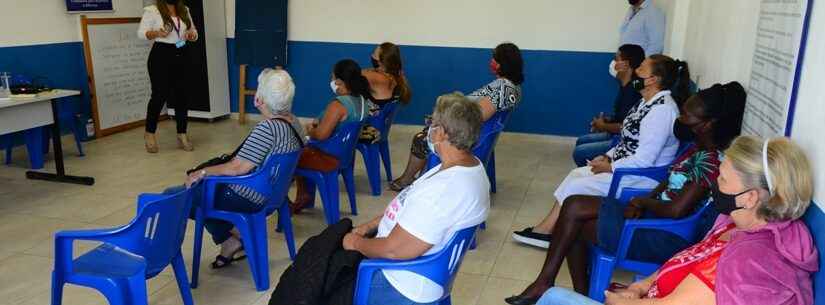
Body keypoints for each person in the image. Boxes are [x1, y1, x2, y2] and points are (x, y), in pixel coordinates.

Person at [504, 82, 748, 305]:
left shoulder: (711, 162)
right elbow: (666, 183)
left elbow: (676, 210)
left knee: (574, 214)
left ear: (707, 124)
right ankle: (563, 289)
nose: (681, 119)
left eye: (687, 116)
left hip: (663, 233)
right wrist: (644, 202)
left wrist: (641, 201)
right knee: (573, 210)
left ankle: (551, 286)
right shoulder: (697, 149)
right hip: (651, 218)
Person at [533, 136, 818, 305]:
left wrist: (625, 301)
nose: (715, 184)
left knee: (553, 299)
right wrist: (641, 286)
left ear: (750, 197)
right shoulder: (734, 225)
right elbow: (688, 261)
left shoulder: (749, 262)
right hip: (648, 296)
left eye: (723, 179)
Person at [512, 55, 690, 249]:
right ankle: (548, 230)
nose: (635, 71)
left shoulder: (662, 111)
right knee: (575, 174)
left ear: (653, 79)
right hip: (626, 167)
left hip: (640, 176)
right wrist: (608, 155)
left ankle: (549, 233)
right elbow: (628, 141)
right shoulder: (646, 102)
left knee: (577, 186)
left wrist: (610, 167)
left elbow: (645, 159)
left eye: (641, 68)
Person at [343, 93, 490, 305]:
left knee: (317, 282)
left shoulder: (443, 191)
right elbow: (406, 206)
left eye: (432, 122)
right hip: (415, 269)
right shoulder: (468, 165)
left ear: (441, 133)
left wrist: (356, 243)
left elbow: (394, 250)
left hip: (401, 282)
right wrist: (368, 227)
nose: (429, 127)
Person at [167, 68, 305, 268]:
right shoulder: (295, 122)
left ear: (259, 99)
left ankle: (161, 254)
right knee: (202, 195)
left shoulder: (268, 129)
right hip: (276, 193)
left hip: (251, 197)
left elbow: (236, 168)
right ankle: (230, 241)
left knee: (175, 195)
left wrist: (203, 172)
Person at [388, 42, 524, 191]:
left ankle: (410, 180)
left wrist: (445, 121)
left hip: (469, 135)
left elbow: (476, 117)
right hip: (477, 131)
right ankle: (423, 176)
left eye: (495, 59)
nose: (491, 62)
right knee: (431, 126)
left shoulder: (503, 89)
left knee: (421, 139)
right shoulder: (512, 87)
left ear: (502, 64)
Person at [289, 59, 372, 212]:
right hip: (345, 155)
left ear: (339, 81)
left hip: (327, 155)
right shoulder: (362, 101)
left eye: (332, 77)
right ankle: (304, 195)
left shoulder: (339, 105)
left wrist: (309, 130)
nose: (331, 81)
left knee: (291, 155)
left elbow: (320, 135)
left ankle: (298, 197)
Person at [138, 0, 199, 153]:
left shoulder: (184, 9)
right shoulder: (152, 10)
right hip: (161, 55)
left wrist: (191, 35)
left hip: (182, 53)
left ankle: (182, 134)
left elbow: (194, 31)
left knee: (182, 96)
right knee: (159, 95)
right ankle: (149, 134)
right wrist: (158, 33)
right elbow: (141, 33)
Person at [574, 44, 645, 167]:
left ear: (626, 64)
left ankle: (597, 174)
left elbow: (625, 126)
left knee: (580, 152)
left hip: (624, 139)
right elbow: (622, 116)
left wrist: (603, 126)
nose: (613, 63)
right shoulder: (625, 85)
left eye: (616, 59)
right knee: (581, 141)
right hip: (619, 134)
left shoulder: (634, 91)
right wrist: (606, 120)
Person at [360, 42, 412, 143]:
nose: (371, 56)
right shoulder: (396, 76)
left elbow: (353, 74)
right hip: (382, 129)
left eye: (374, 54)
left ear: (381, 61)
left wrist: (370, 71)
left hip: (371, 127)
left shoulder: (376, 77)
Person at [363, 42, 412, 107]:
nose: (372, 55)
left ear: (380, 62)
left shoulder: (377, 78)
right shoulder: (396, 77)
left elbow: (352, 73)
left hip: (371, 116)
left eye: (374, 54)